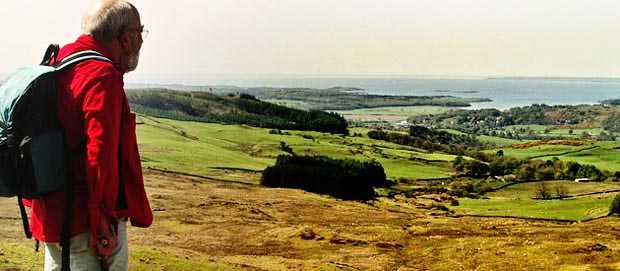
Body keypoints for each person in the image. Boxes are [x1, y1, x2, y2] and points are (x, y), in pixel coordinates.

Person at [25, 0, 153, 270]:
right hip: (85, 222)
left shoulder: (58, 61)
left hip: (52, 215)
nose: (142, 40)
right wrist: (100, 218)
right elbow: (100, 154)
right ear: (127, 37)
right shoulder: (102, 75)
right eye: (141, 32)